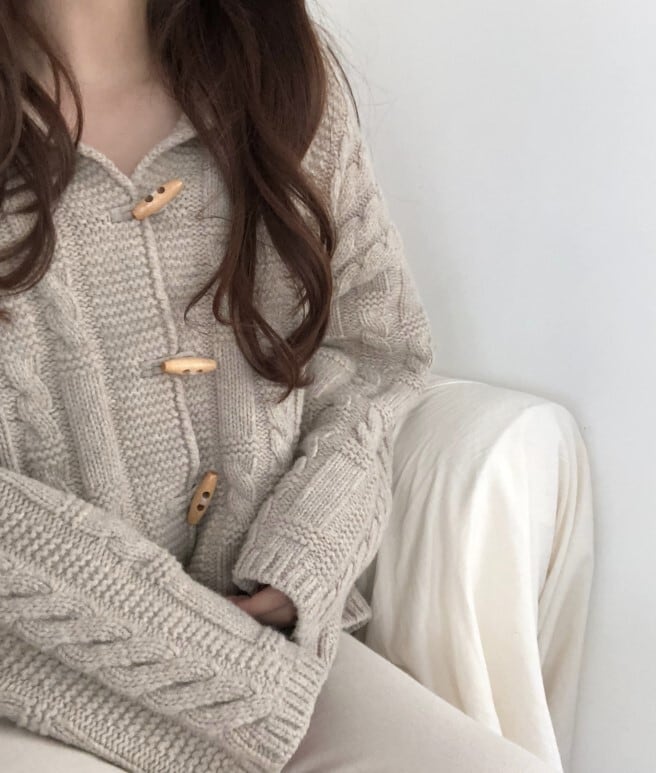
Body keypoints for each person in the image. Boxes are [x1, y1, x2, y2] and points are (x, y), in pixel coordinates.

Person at [0, 1, 562, 771]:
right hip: (34, 661)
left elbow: (374, 356)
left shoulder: (270, 70)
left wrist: (303, 556)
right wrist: (203, 660)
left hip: (265, 644)